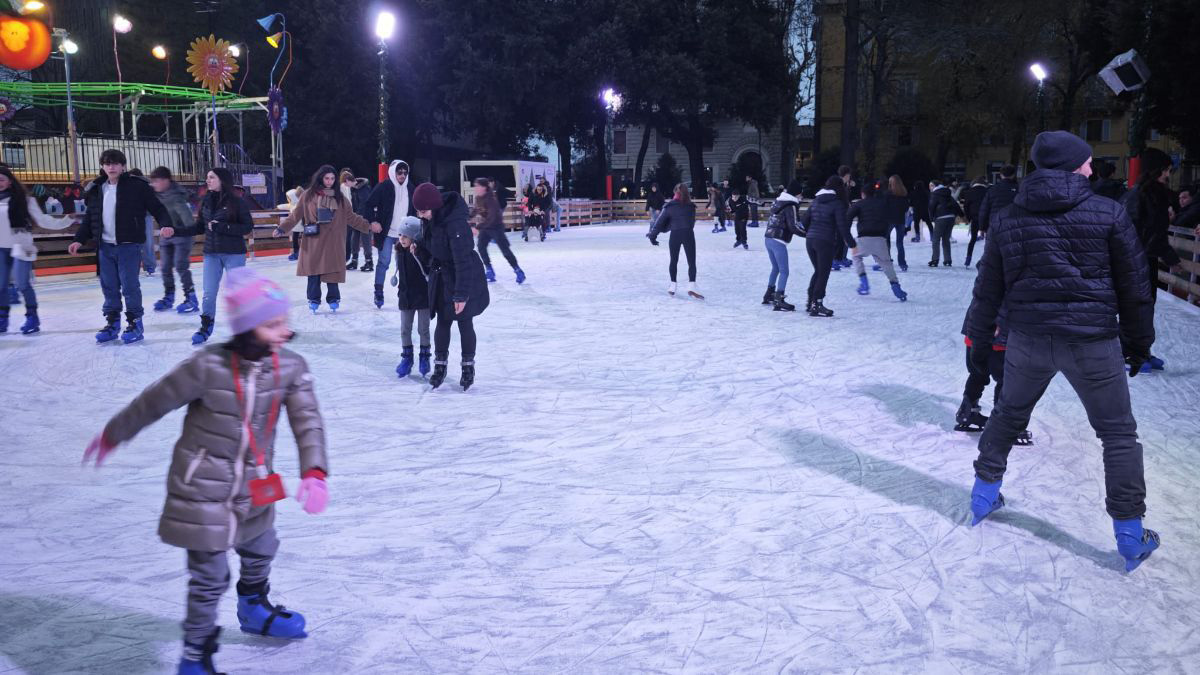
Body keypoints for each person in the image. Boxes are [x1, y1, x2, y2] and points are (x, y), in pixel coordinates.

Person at [80, 266, 329, 674]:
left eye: (284, 321)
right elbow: (154, 402)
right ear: (248, 329)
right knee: (210, 578)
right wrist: (113, 434)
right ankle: (195, 657)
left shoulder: (290, 367)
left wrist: (314, 471)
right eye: (271, 325)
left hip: (253, 487)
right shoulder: (207, 367)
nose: (284, 332)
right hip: (201, 491)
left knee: (262, 547)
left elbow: (308, 421)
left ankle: (253, 606)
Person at [962, 130, 1159, 572]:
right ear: (1074, 165)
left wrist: (977, 340)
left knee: (1008, 414)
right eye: (1088, 162)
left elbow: (987, 287)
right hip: (1092, 342)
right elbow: (1135, 286)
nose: (1092, 168)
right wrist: (1137, 343)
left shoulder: (1009, 217)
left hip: (1028, 340)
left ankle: (983, 495)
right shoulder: (1109, 212)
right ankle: (1130, 534)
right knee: (1118, 434)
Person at [67, 149, 171, 344]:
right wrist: (78, 239)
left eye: (115, 163)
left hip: (128, 246)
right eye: (107, 163)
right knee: (109, 287)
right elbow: (91, 218)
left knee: (130, 286)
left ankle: (134, 323)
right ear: (102, 167)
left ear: (123, 166)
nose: (111, 167)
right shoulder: (98, 188)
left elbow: (158, 208)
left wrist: (166, 224)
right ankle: (112, 323)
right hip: (105, 247)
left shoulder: (137, 186)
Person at [161, 168, 255, 345]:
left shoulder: (237, 202)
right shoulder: (206, 201)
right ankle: (206, 326)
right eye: (207, 177)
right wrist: (175, 230)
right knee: (209, 293)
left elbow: (247, 227)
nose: (208, 180)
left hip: (234, 253)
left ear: (222, 180)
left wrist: (223, 227)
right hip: (211, 253)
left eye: (212, 177)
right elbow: (198, 227)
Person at [410, 182, 490, 390]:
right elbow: (433, 250)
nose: (420, 215)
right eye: (417, 211)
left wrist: (461, 296)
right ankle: (440, 366)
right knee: (443, 323)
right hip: (442, 277)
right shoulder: (430, 220)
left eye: (423, 211)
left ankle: (467, 367)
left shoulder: (455, 224)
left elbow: (462, 261)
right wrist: (418, 248)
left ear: (434, 207)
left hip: (463, 278)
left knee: (465, 323)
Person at [276, 165, 378, 314]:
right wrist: (282, 228)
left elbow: (352, 218)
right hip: (313, 241)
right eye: (326, 178)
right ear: (320, 178)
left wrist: (368, 226)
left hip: (333, 242)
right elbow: (295, 215)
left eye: (332, 178)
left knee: (332, 272)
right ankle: (314, 299)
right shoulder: (308, 195)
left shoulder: (340, 199)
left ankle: (333, 299)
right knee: (314, 272)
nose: (329, 181)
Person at [1121, 148, 1179, 372]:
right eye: (1166, 170)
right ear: (1156, 171)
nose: (1168, 175)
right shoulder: (1140, 195)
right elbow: (1146, 232)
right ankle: (1127, 354)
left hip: (1147, 259)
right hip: (1135, 261)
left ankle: (1142, 351)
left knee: (1147, 307)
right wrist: (1171, 256)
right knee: (1136, 309)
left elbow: (1155, 229)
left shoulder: (1155, 193)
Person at [0, 166, 77, 334]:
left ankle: (32, 316)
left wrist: (65, 221)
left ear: (10, 181)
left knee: (22, 284)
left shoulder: (25, 201)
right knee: (1, 286)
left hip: (20, 246)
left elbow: (43, 220)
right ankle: (2, 318)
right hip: (1, 249)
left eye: (1, 180)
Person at [362, 159, 417, 308]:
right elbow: (368, 205)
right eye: (399, 172)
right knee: (384, 262)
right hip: (386, 232)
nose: (402, 175)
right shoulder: (384, 187)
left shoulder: (410, 188)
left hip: (403, 233)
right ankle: (378, 292)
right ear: (393, 172)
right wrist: (373, 221)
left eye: (405, 172)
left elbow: (416, 208)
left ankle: (403, 291)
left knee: (404, 263)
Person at [799, 176, 854, 317]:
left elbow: (804, 222)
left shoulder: (816, 201)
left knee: (818, 271)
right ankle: (816, 303)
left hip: (810, 241)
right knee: (823, 273)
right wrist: (852, 243)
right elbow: (843, 227)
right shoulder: (837, 203)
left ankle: (811, 302)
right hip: (825, 242)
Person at [148, 167, 198, 314]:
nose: (154, 184)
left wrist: (180, 230)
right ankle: (169, 296)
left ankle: (191, 298)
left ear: (166, 181)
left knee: (181, 266)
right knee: (164, 268)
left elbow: (189, 222)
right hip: (166, 237)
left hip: (182, 236)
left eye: (156, 181)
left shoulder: (177, 197)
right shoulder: (156, 196)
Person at [847, 182, 908, 301]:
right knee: (886, 263)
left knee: (856, 257)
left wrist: (847, 238)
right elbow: (890, 217)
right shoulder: (882, 204)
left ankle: (863, 281)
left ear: (862, 194)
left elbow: (847, 218)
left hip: (863, 238)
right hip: (880, 239)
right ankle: (895, 286)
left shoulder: (859, 204)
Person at [390, 215, 432, 379]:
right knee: (405, 329)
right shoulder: (399, 251)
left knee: (423, 329)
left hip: (422, 296)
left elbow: (428, 268)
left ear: (414, 236)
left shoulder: (422, 251)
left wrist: (420, 254)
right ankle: (407, 358)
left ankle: (424, 358)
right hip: (406, 296)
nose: (402, 239)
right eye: (400, 235)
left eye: (406, 236)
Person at [470, 177, 525, 284]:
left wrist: (478, 227)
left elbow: (492, 217)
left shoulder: (491, 199)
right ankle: (489, 270)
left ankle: (518, 270)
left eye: (478, 186)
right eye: (475, 185)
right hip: (486, 227)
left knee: (505, 251)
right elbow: (476, 209)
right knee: (481, 247)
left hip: (496, 227)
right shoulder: (478, 198)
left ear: (484, 187)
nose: (475, 188)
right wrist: (467, 217)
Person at [653, 183, 703, 299]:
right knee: (691, 261)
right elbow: (692, 222)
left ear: (675, 192)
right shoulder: (691, 206)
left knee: (673, 260)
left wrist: (652, 236)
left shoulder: (670, 206)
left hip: (675, 234)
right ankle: (692, 285)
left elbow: (659, 222)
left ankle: (672, 285)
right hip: (688, 234)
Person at [762, 179, 804, 311]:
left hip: (768, 238)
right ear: (796, 193)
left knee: (775, 268)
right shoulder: (791, 205)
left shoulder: (778, 201)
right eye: (801, 194)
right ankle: (778, 299)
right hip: (778, 241)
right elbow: (793, 226)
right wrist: (808, 234)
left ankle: (769, 294)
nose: (801, 196)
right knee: (784, 271)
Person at [974, 164, 1019, 268]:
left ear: (1001, 175)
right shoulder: (1019, 189)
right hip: (1014, 225)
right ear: (1013, 175)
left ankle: (987, 269)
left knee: (992, 251)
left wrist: (982, 227)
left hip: (994, 225)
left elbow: (984, 209)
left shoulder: (992, 189)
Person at [342, 169, 375, 272]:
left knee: (366, 240)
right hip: (356, 217)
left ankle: (369, 262)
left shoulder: (363, 188)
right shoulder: (354, 189)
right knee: (354, 239)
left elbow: (365, 204)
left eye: (344, 183)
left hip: (365, 217)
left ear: (348, 180)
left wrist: (359, 217)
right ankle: (354, 260)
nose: (345, 186)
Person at [128, 168, 157, 277]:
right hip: (146, 216)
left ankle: (133, 267)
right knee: (147, 243)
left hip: (134, 217)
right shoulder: (148, 185)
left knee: (133, 243)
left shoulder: (129, 185)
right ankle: (149, 267)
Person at [927, 179, 963, 267]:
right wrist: (962, 215)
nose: (930, 187)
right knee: (946, 239)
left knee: (935, 239)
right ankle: (948, 260)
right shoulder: (947, 193)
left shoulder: (935, 194)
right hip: (951, 217)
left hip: (941, 217)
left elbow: (931, 206)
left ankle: (935, 259)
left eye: (931, 185)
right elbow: (955, 204)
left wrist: (931, 218)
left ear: (936, 186)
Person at [962, 176, 989, 267]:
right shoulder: (987, 191)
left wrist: (969, 218)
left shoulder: (969, 192)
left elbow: (966, 207)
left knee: (973, 239)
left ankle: (968, 258)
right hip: (986, 218)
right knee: (989, 240)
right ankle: (987, 259)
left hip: (974, 218)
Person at [885, 175, 910, 271]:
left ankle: (887, 260)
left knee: (886, 240)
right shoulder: (904, 194)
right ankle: (902, 263)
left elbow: (884, 206)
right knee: (900, 243)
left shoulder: (888, 194)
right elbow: (906, 208)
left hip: (889, 220)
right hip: (900, 220)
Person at [284, 184, 304, 261]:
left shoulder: (298, 205)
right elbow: (287, 206)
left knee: (299, 239)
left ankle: (299, 253)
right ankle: (297, 252)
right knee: (296, 239)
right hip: (297, 226)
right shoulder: (293, 204)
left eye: (289, 198)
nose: (288, 199)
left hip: (300, 224)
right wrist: (278, 207)